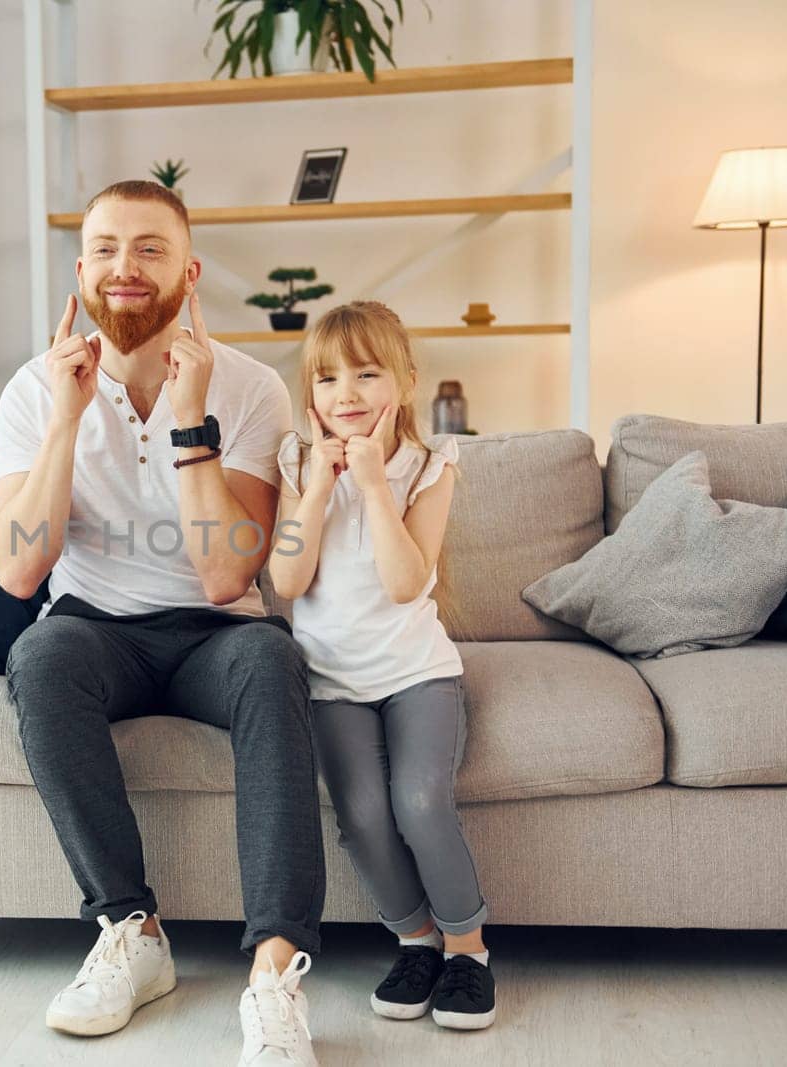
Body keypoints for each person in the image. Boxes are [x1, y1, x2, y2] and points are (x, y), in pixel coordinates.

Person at [0, 180, 326, 1066]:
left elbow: (224, 577)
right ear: (81, 268)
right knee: (42, 651)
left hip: (216, 635)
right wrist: (66, 420)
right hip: (96, 626)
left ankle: (273, 976)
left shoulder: (249, 389)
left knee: (270, 660)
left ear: (189, 271)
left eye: (149, 249)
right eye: (104, 248)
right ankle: (131, 932)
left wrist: (190, 418)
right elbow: (20, 568)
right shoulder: (33, 389)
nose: (124, 268)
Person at [268, 300, 496, 1031]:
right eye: (329, 379)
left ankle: (467, 948)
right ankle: (416, 941)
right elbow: (287, 583)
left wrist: (371, 485)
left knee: (419, 802)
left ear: (403, 381)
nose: (348, 394)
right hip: (333, 682)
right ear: (312, 397)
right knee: (363, 815)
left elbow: (405, 581)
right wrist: (317, 487)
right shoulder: (297, 462)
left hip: (416, 673)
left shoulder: (431, 465)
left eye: (367, 373)